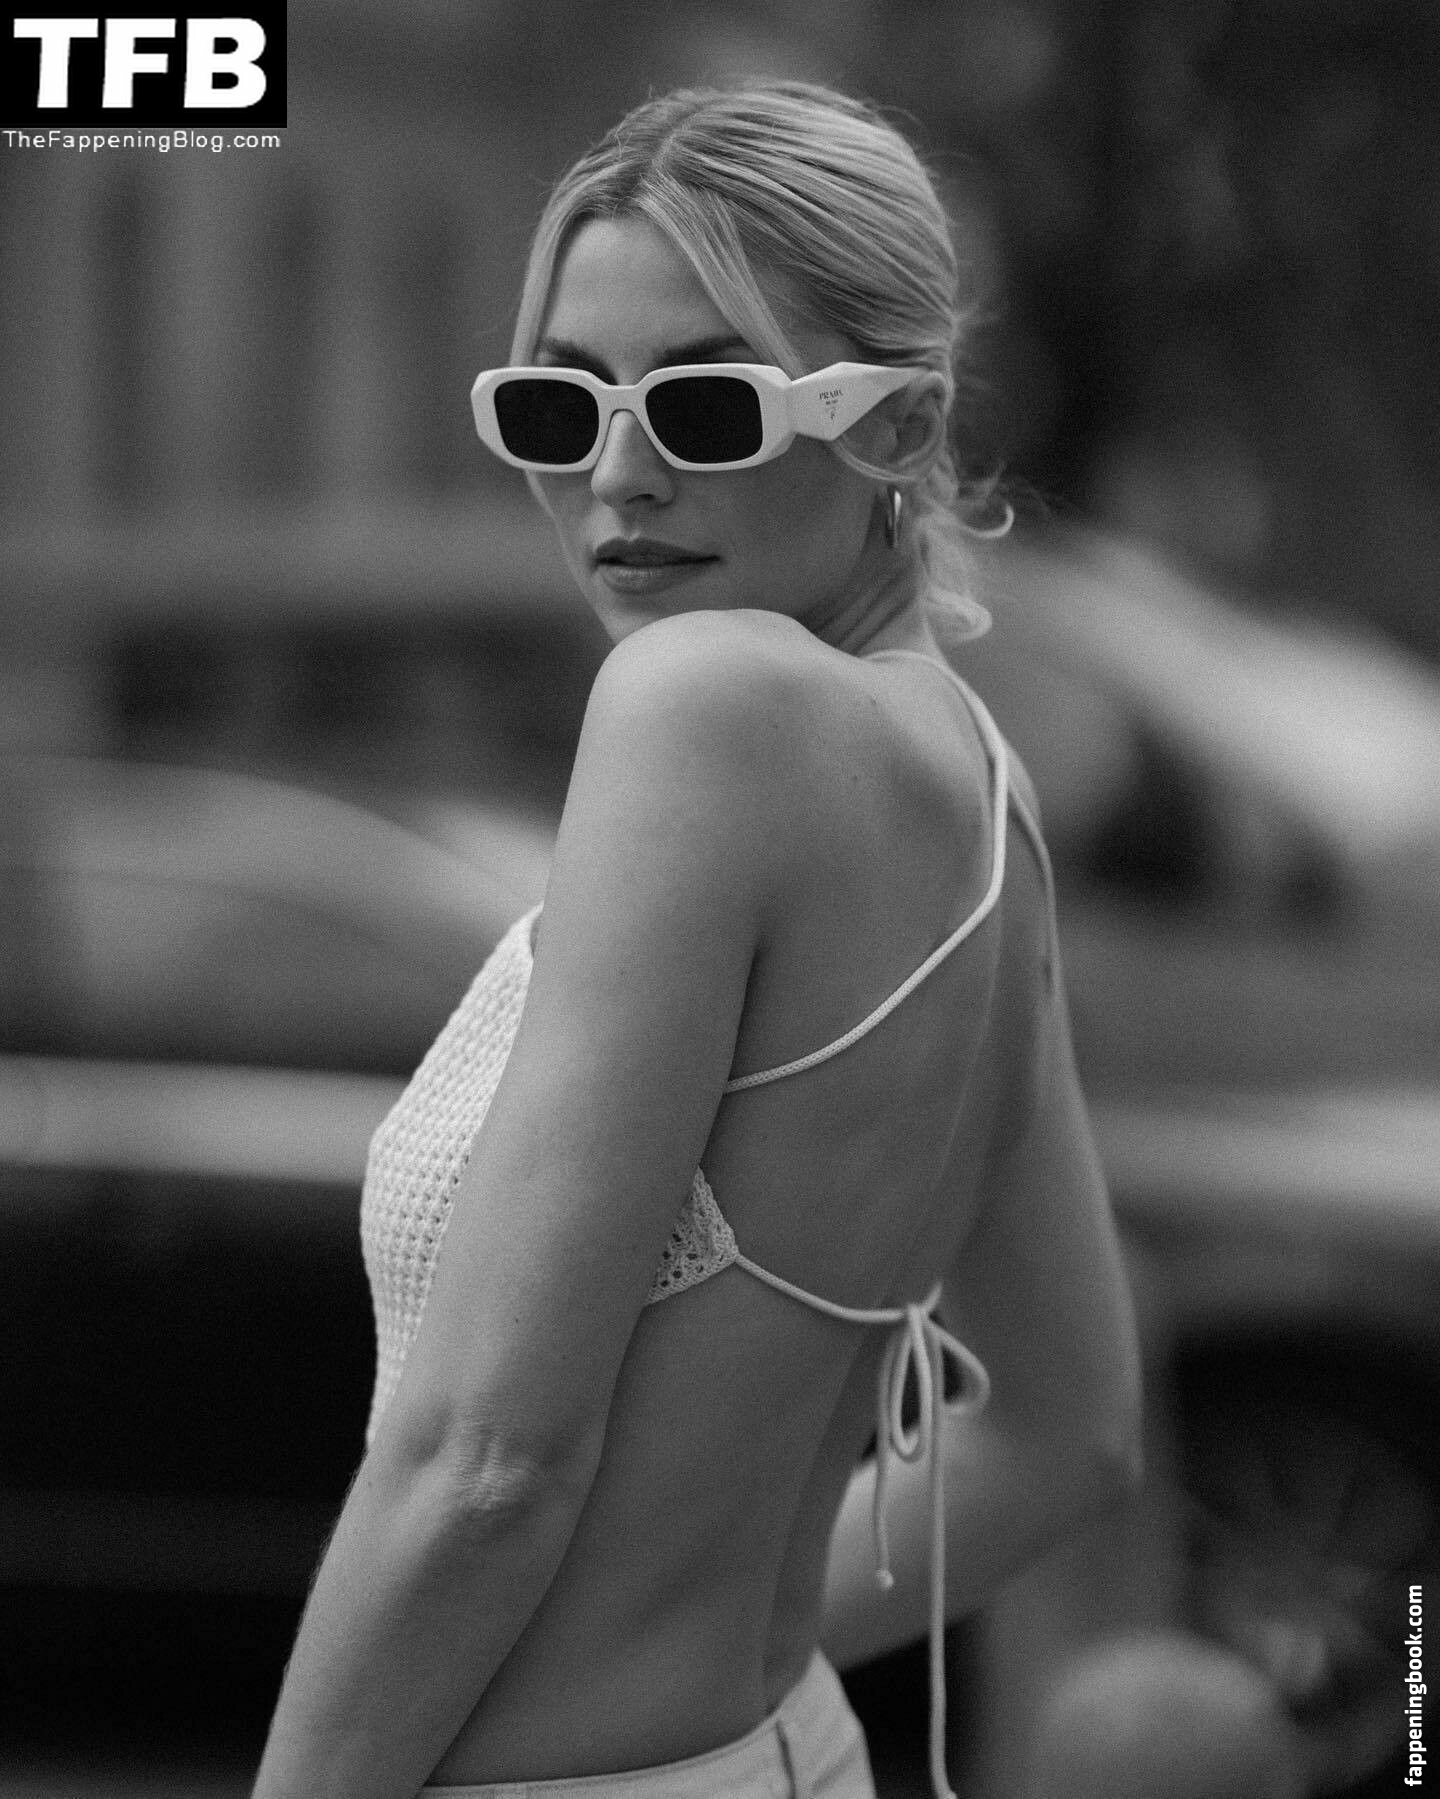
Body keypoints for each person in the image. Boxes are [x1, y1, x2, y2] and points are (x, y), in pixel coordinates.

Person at [251, 81, 1142, 1799]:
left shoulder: (701, 703)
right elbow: (1073, 1436)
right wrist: (732, 1658)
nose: (617, 475)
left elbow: (488, 1460)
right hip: (783, 1752)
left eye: (707, 406)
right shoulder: (986, 799)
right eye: (555, 403)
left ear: (896, 428)